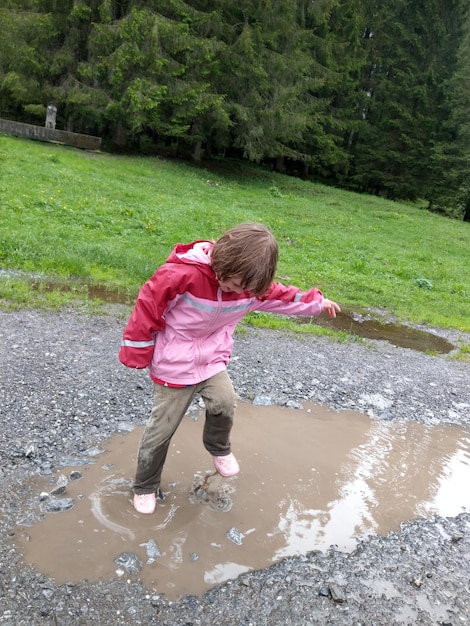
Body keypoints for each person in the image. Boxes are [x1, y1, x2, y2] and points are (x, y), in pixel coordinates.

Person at [119, 223, 340, 514]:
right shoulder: (183, 275)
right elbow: (148, 305)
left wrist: (315, 302)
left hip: (211, 361)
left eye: (245, 288)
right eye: (233, 283)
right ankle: (145, 486)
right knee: (161, 431)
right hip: (174, 365)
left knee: (224, 402)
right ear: (221, 261)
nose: (236, 291)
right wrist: (138, 348)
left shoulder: (250, 288)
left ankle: (218, 448)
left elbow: (281, 296)